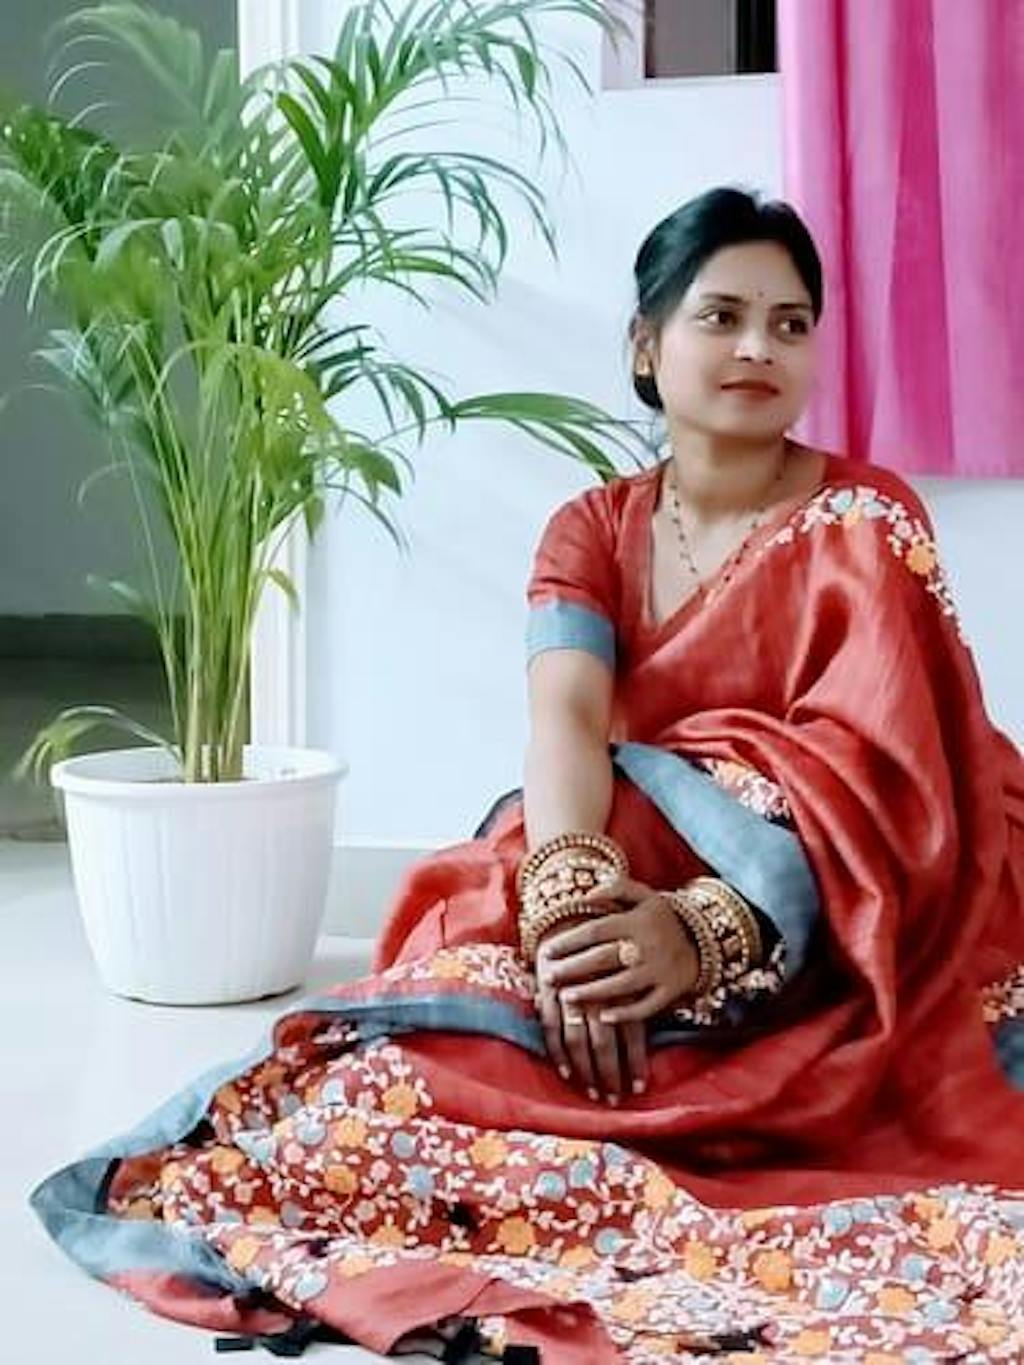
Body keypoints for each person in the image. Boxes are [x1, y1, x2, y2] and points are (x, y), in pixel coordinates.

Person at [32, 188, 1024, 1364]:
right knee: (418, 1072)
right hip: (623, 868)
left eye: (790, 324)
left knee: (789, 1102)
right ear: (646, 346)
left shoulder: (865, 517)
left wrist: (707, 928)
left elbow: (886, 766)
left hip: (868, 912)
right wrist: (566, 909)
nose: (759, 347)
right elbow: (567, 716)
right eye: (722, 316)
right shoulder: (592, 528)